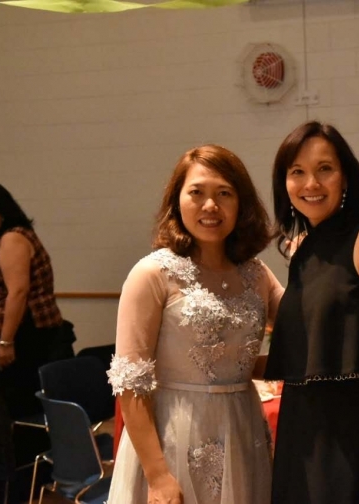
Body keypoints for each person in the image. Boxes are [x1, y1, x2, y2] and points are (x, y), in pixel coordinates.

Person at [106, 144, 284, 504]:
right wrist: (158, 476)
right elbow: (131, 384)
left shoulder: (256, 273)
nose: (210, 205)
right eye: (197, 193)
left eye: (224, 193)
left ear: (242, 203)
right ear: (177, 200)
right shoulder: (152, 273)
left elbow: (301, 325)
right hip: (174, 437)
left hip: (243, 430)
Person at [264, 121, 359, 504]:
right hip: (299, 431)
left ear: (345, 177)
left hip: (349, 435)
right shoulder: (301, 248)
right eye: (297, 171)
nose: (311, 183)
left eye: (324, 169)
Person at [0, 181, 73, 420]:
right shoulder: (0, 239)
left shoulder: (13, 238)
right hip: (23, 331)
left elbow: (18, 292)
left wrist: (5, 341)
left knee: (18, 403)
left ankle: (25, 444)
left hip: (27, 333)